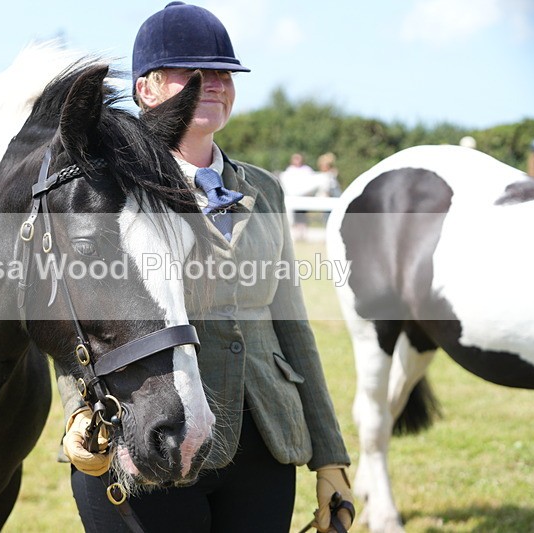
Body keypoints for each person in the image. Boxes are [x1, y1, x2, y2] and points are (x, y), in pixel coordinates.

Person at [57, 3, 354, 532]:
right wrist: (77, 409)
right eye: (191, 73)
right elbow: (74, 306)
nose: (212, 83)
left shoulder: (264, 189)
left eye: (222, 73)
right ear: (146, 88)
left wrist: (330, 455)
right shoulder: (111, 189)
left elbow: (292, 323)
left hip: (264, 433)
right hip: (151, 427)